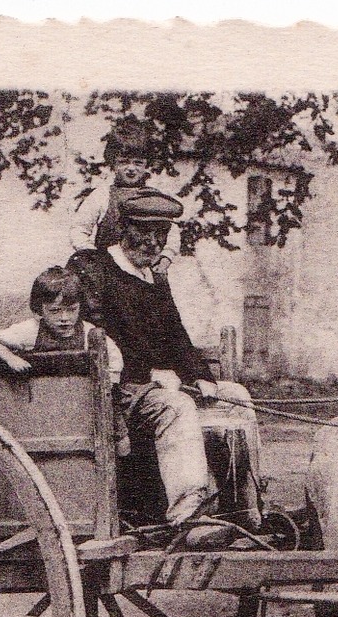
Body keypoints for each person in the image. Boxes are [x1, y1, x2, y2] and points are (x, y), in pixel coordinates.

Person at [68, 189, 234, 544]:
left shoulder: (154, 277)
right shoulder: (94, 270)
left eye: (161, 234)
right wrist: (148, 376)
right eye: (144, 233)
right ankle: (189, 517)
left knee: (234, 396)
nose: (153, 242)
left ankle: (243, 509)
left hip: (153, 385)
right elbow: (97, 338)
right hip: (114, 391)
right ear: (122, 228)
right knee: (175, 406)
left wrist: (201, 376)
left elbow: (176, 335)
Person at [70, 119, 178, 281]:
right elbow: (79, 229)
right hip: (109, 275)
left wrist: (166, 256)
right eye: (123, 162)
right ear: (113, 164)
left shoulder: (154, 196)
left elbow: (172, 230)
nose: (131, 168)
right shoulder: (101, 196)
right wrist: (93, 257)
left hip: (146, 273)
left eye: (138, 163)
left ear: (146, 164)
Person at [0, 265, 119, 377]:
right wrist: (12, 359)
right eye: (55, 311)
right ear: (40, 309)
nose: (64, 318)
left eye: (72, 310)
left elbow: (114, 361)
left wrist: (108, 386)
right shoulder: (31, 330)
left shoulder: (88, 332)